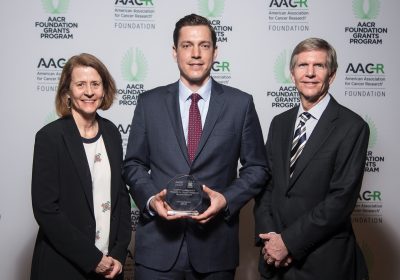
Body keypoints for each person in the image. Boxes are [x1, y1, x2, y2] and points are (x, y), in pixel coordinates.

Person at [123, 13, 268, 279]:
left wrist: (226, 200)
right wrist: (152, 199)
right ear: (174, 52)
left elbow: (257, 168)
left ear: (215, 52)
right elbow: (133, 164)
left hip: (215, 251)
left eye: (204, 45)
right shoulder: (149, 103)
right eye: (187, 45)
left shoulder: (240, 104)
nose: (196, 54)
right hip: (157, 250)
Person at [254, 37, 369, 280]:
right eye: (302, 65)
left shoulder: (352, 126)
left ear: (332, 75)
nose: (310, 73)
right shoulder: (280, 123)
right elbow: (265, 185)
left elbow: (341, 200)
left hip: (324, 262)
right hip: (275, 262)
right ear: (292, 74)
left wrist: (289, 242)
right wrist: (271, 239)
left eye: (319, 66)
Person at [31, 53, 131, 280]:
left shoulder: (112, 133)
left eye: (95, 84)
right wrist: (92, 259)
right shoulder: (50, 138)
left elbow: (121, 200)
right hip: (63, 266)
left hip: (109, 268)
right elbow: (46, 210)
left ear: (104, 89)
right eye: (80, 84)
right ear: (67, 91)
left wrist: (117, 254)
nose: (89, 91)